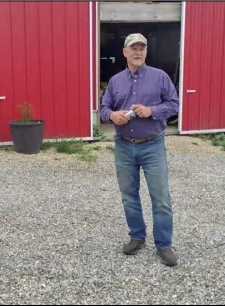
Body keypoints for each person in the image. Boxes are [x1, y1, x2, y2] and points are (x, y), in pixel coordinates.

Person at [100, 33, 179, 267]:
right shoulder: (115, 81)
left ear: (146, 52)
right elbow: (104, 108)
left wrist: (151, 111)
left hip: (152, 145)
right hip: (124, 146)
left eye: (142, 48)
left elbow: (174, 105)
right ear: (125, 52)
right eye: (133, 48)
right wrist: (112, 115)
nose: (138, 52)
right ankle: (137, 236)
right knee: (129, 197)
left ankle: (164, 245)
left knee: (161, 198)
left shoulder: (160, 77)